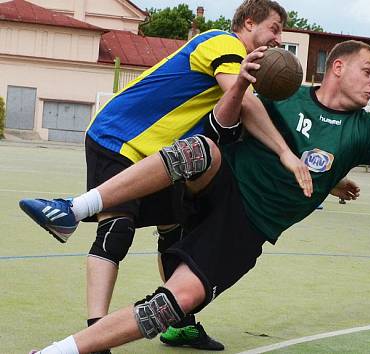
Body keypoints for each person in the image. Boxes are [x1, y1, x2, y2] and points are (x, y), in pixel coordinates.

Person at [23, 40, 370, 353]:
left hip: (246, 228)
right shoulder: (284, 90)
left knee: (175, 303)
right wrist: (243, 83)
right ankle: (74, 208)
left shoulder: (367, 130)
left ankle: (57, 352)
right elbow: (228, 121)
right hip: (217, 183)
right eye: (368, 71)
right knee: (200, 149)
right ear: (336, 67)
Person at [19, 1, 316, 352]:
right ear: (249, 23)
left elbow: (241, 119)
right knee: (117, 229)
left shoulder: (242, 74)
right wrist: (286, 154)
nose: (279, 38)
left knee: (175, 230)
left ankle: (182, 326)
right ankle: (95, 334)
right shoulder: (222, 43)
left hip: (161, 158)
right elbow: (246, 104)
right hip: (119, 137)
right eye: (275, 28)